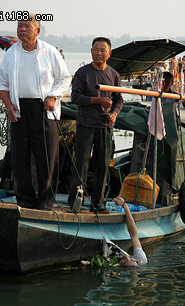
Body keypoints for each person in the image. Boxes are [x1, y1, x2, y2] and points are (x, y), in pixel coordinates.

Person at [0, 15, 71, 210]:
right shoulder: (11, 53)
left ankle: (46, 202)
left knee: (47, 158)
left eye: (27, 26)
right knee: (20, 159)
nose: (22, 29)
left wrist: (53, 95)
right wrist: (8, 104)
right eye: (19, 26)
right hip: (19, 110)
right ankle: (25, 201)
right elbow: (2, 84)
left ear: (37, 31)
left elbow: (64, 78)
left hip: (44, 110)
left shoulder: (49, 51)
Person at [68, 37, 124, 213]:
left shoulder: (114, 75)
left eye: (103, 50)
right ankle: (74, 201)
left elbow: (119, 100)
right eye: (96, 50)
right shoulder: (82, 73)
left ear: (109, 53)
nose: (99, 53)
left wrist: (114, 113)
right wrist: (98, 100)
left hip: (105, 126)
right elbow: (75, 98)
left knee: (102, 166)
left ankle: (97, 204)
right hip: (85, 125)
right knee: (81, 164)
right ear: (91, 51)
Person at [114, 197, 148, 267]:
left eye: (124, 262)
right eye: (130, 259)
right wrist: (125, 207)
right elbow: (133, 234)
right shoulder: (141, 258)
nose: (127, 257)